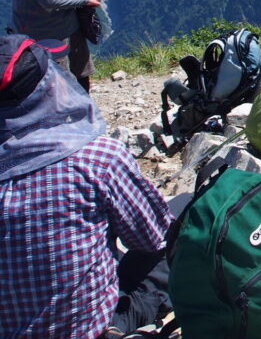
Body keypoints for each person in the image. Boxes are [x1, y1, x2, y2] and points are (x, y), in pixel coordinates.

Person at [0, 34, 172, 339]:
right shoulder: (96, 159)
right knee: (174, 239)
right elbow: (154, 239)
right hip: (88, 330)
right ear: (48, 87)